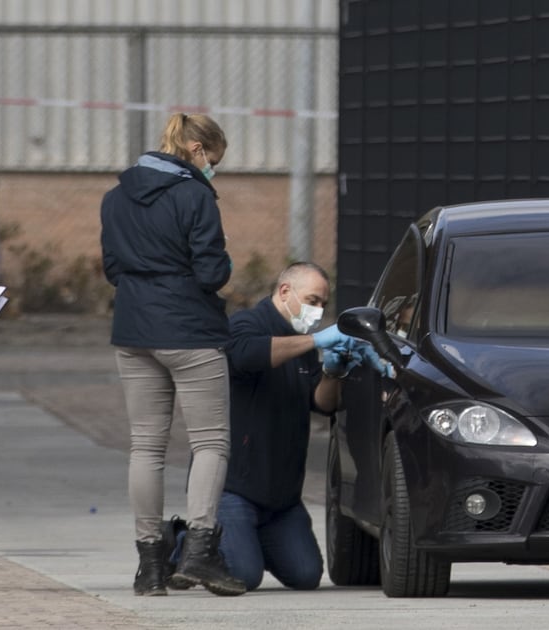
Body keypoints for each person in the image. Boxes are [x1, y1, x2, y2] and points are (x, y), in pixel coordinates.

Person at [99, 112, 246, 597]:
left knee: (146, 445)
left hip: (134, 329)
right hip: (189, 331)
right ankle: (200, 551)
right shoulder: (195, 195)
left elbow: (113, 268)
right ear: (198, 150)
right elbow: (211, 273)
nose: (214, 169)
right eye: (214, 159)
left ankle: (150, 565)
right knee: (209, 442)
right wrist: (220, 264)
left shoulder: (115, 197)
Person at [215, 262, 384, 591]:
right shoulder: (246, 324)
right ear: (284, 292)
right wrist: (318, 341)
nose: (318, 310)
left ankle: (248, 540)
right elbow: (246, 355)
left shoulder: (302, 340)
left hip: (281, 496)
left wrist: (334, 372)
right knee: (242, 577)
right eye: (312, 300)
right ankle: (185, 543)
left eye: (322, 303)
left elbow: (322, 403)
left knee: (306, 575)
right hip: (236, 487)